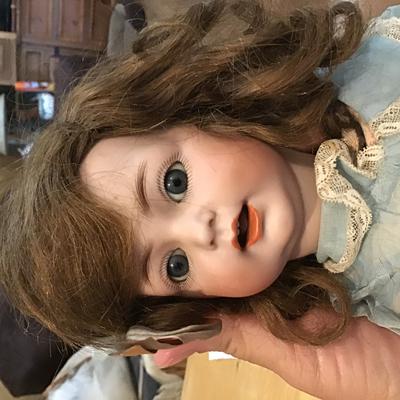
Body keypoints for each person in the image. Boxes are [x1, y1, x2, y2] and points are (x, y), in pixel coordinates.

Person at [1, 1, 400, 398]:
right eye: (176, 266)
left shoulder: (369, 61)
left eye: (174, 183)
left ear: (194, 110)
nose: (200, 230)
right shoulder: (371, 308)